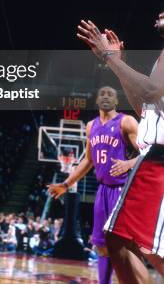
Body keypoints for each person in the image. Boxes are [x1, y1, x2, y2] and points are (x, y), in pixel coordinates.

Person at [77, 17, 164, 282]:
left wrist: (109, 57)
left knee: (120, 237)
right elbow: (145, 108)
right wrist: (117, 63)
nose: (158, 15)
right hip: (157, 158)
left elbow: (150, 91)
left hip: (158, 159)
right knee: (142, 245)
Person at [47, 86, 139, 284]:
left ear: (116, 102)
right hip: (102, 191)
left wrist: (128, 163)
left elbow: (148, 151)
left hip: (122, 191)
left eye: (110, 95)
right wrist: (66, 183)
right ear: (96, 101)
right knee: (101, 245)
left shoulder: (126, 122)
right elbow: (88, 161)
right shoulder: (91, 126)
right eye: (102, 94)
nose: (106, 97)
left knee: (123, 247)